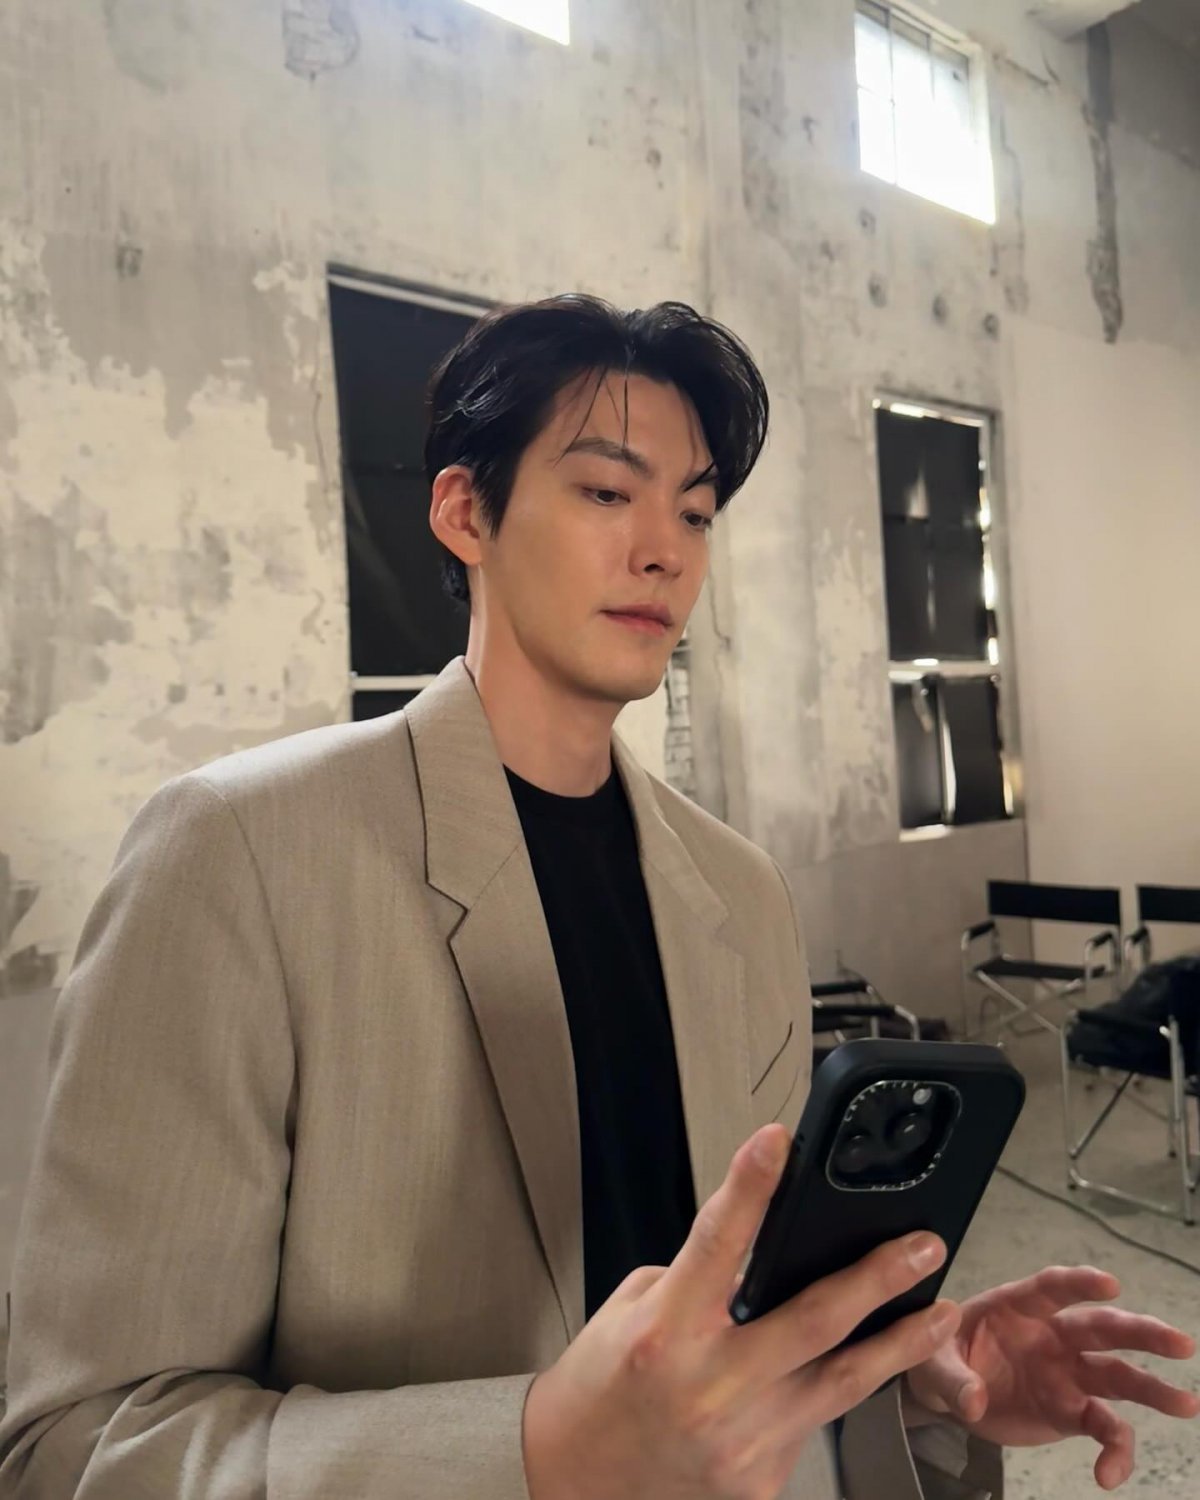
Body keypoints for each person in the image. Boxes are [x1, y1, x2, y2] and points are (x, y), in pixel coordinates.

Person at [0, 296, 1195, 1500]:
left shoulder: (737, 892)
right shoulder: (239, 854)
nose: (666, 550)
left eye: (695, 512)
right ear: (465, 512)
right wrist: (527, 1450)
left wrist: (898, 1370)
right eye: (607, 492)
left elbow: (726, 1344)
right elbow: (82, 1445)